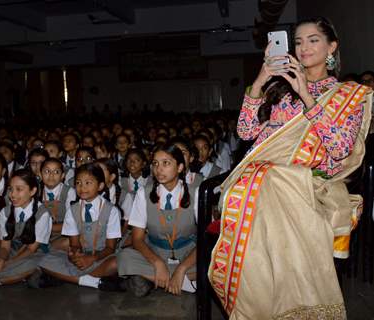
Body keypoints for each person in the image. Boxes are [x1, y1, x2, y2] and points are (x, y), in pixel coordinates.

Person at [209, 17, 372, 319]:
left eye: (313, 40)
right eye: (298, 41)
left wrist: (307, 96)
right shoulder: (280, 92)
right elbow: (245, 133)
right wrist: (260, 80)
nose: (304, 47)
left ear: (331, 47)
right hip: (266, 178)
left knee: (269, 182)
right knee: (266, 180)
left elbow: (339, 150)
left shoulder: (348, 95)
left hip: (313, 183)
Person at [110, 144, 198, 297]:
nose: (159, 169)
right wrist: (158, 263)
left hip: (188, 255)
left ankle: (158, 279)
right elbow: (137, 239)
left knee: (215, 259)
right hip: (155, 253)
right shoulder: (143, 194)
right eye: (155, 163)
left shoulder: (195, 192)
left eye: (166, 163)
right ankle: (183, 282)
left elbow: (205, 240)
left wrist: (182, 268)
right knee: (124, 257)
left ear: (180, 167)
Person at [34, 163, 121, 289]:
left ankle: (69, 276)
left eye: (88, 183)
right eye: (78, 183)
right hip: (81, 256)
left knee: (118, 263)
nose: (82, 187)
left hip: (102, 256)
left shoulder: (111, 211)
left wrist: (92, 258)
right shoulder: (73, 210)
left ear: (100, 186)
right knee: (42, 260)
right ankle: (93, 281)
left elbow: (110, 247)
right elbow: (74, 244)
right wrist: (75, 255)